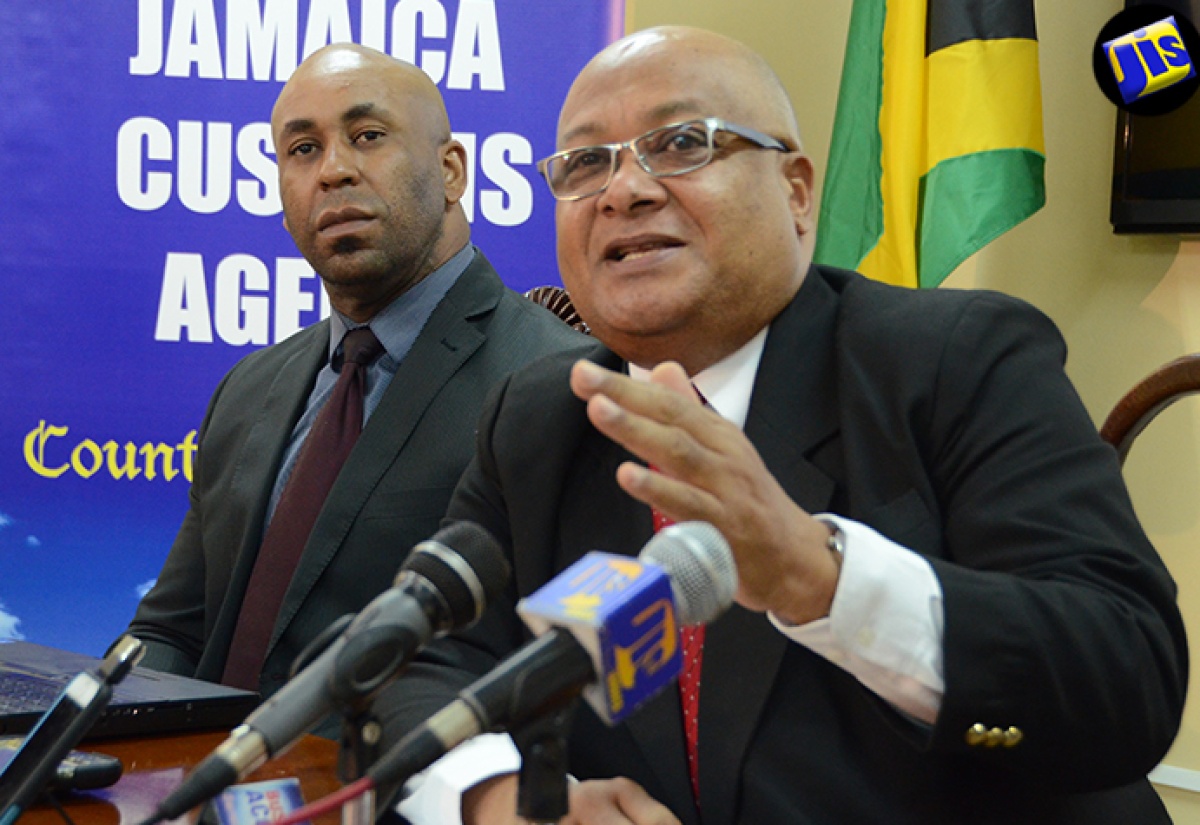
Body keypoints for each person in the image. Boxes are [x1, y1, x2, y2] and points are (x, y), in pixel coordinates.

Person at [376, 25, 1189, 825]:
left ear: (797, 191)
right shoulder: (544, 415)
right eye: (587, 162)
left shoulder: (953, 361)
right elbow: (419, 661)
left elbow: (1126, 677)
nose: (623, 190)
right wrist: (493, 797)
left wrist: (820, 574)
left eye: (682, 142)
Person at [124, 43, 585, 703]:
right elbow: (174, 627)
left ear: (451, 170)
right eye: (302, 149)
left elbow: (560, 675)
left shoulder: (557, 379)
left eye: (367, 136)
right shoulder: (248, 387)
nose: (334, 170)